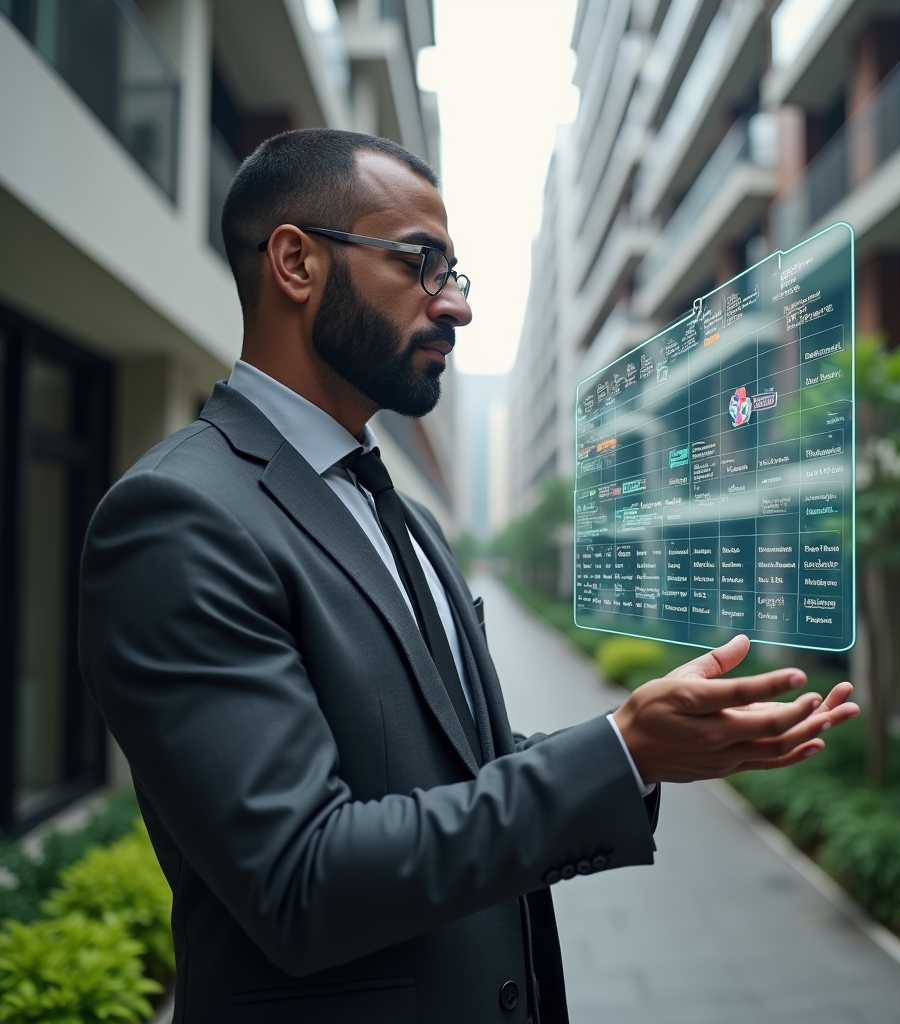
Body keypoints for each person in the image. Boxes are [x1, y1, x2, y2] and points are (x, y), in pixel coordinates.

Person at [79, 129, 858, 1024]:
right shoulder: (178, 519)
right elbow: (300, 876)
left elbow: (459, 772)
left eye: (455, 274)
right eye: (422, 264)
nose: (455, 307)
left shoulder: (399, 516)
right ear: (295, 262)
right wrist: (618, 750)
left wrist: (641, 754)